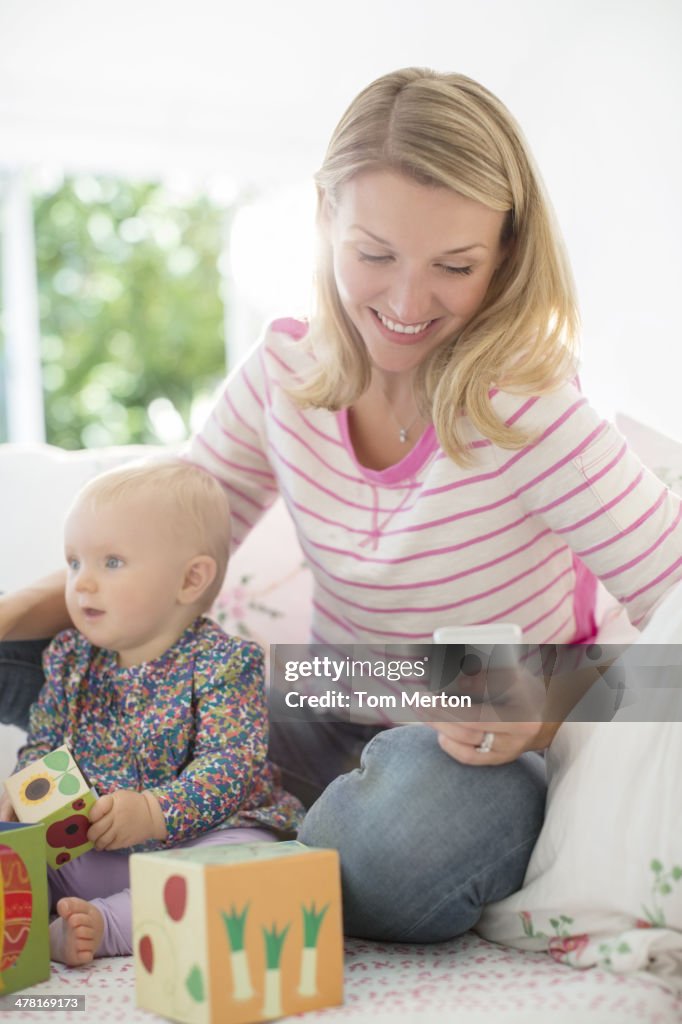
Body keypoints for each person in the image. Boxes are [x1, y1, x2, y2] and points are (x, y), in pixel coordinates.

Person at [2, 67, 681, 944]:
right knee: (25, 653)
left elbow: (674, 619)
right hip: (313, 696)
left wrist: (546, 701)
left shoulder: (531, 407)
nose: (405, 304)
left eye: (455, 266)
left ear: (507, 251)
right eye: (374, 255)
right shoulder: (286, 373)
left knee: (403, 842)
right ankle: (226, 846)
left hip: (454, 748)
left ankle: (215, 859)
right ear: (324, 217)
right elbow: (154, 562)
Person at [0, 459, 302, 965]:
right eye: (74, 563)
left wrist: (155, 812)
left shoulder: (225, 662)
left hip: (202, 841)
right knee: (12, 849)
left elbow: (229, 765)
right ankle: (37, 929)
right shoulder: (69, 658)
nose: (82, 584)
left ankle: (109, 925)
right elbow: (42, 745)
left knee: (253, 866)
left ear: (190, 580)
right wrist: (22, 793)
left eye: (111, 563)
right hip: (90, 853)